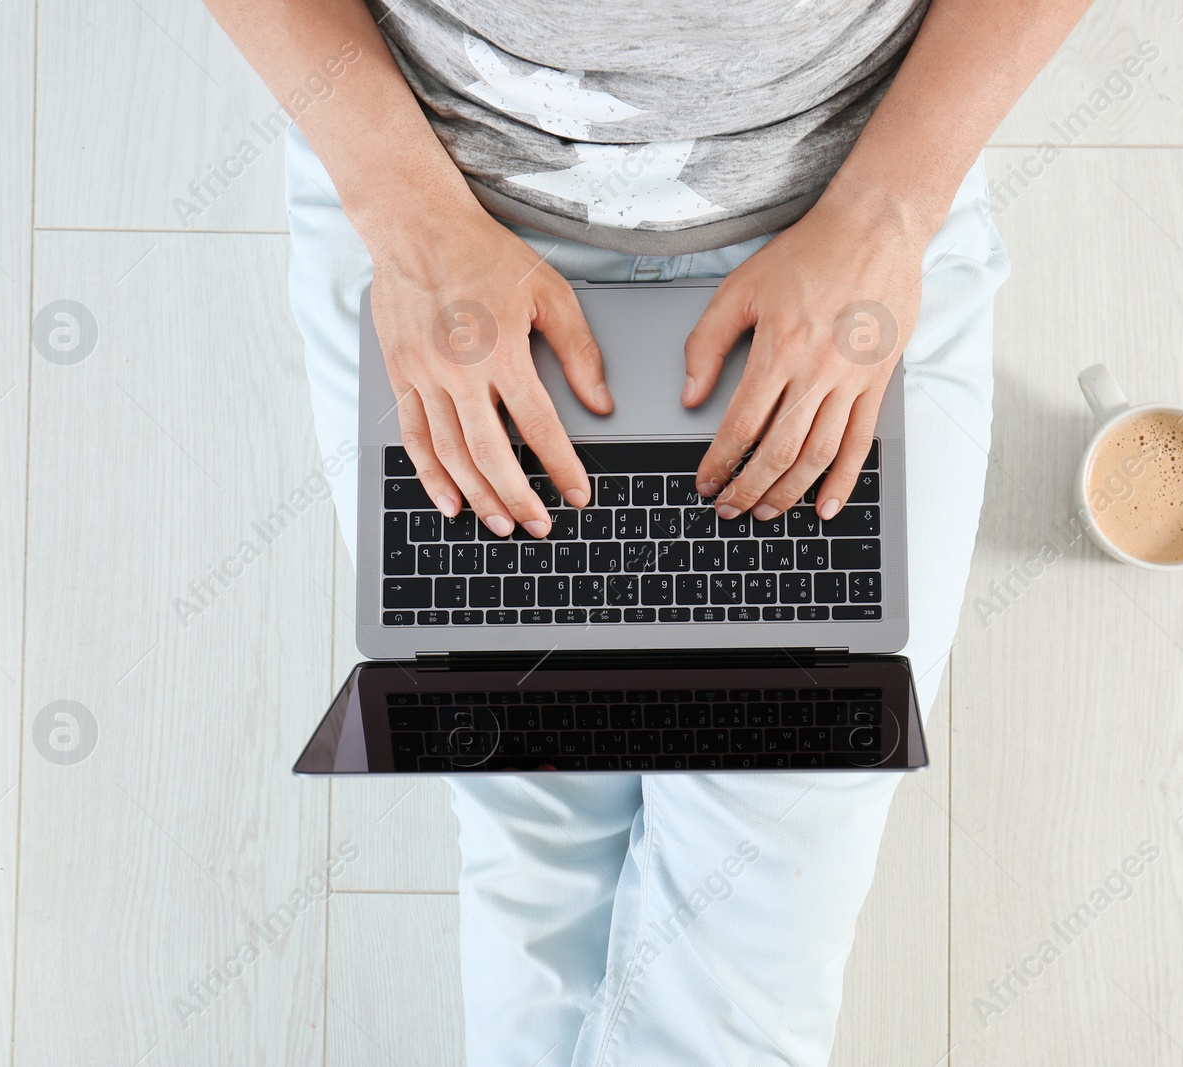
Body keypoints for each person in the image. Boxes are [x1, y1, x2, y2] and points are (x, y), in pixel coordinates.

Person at [206, 1, 1092, 1062]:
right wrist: (410, 223)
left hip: (853, 197)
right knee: (540, 868)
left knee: (753, 929)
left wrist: (886, 217)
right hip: (442, 209)